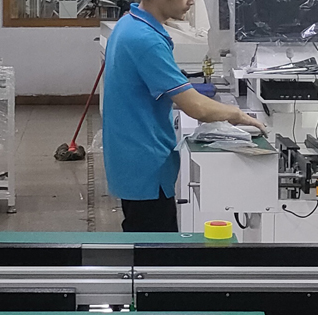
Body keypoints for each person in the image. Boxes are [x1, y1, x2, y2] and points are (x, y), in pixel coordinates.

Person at [102, 0, 266, 232]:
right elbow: (197, 107)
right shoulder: (145, 40)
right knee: (154, 245)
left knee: (140, 234)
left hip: (130, 158)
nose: (191, 1)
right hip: (147, 165)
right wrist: (239, 115)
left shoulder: (128, 24)